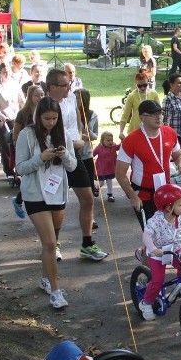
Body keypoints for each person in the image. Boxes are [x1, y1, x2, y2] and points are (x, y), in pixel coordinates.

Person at [15, 97, 76, 309]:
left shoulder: (63, 135)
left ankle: (45, 277)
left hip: (57, 193)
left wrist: (64, 153)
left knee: (50, 242)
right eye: (46, 118)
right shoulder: (27, 134)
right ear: (38, 117)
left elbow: (73, 166)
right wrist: (40, 158)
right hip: (35, 195)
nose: (50, 122)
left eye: (54, 118)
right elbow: (20, 168)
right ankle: (56, 290)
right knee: (51, 243)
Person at [46, 68, 108, 262]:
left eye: (69, 84)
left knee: (88, 198)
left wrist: (79, 136)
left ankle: (87, 243)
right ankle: (53, 244)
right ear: (52, 87)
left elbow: (78, 120)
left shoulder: (72, 98)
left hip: (75, 155)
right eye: (65, 85)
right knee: (58, 205)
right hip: (55, 158)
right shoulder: (45, 105)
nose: (69, 88)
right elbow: (45, 135)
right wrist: (70, 143)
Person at [137, 184, 181, 321]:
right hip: (158, 254)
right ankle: (145, 303)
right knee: (158, 280)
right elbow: (146, 236)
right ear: (168, 208)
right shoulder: (156, 221)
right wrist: (153, 249)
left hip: (175, 250)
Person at [116, 99, 181, 229]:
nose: (159, 116)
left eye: (160, 113)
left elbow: (178, 155)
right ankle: (146, 250)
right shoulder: (131, 140)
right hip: (144, 194)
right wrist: (133, 196)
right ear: (142, 117)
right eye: (153, 114)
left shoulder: (169, 132)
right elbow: (120, 173)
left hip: (166, 193)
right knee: (151, 235)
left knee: (168, 232)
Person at [11, 85, 45, 219]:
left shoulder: (45, 111)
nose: (40, 97)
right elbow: (16, 134)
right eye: (37, 95)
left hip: (41, 148)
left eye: (42, 94)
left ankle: (42, 206)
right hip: (28, 149)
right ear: (30, 96)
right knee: (29, 178)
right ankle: (19, 201)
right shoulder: (23, 113)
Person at [0, 63, 24, 182]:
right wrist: (1, 116)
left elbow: (22, 101)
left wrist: (24, 113)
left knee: (17, 141)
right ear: (0, 72)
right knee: (5, 142)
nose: (7, 73)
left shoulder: (15, 85)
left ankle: (18, 169)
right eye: (4, 71)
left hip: (13, 116)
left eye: (8, 71)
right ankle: (8, 170)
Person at [119, 71, 161, 140]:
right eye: (139, 86)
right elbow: (125, 115)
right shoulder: (132, 96)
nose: (142, 88)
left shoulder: (153, 93)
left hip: (151, 130)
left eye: (145, 85)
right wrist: (121, 132)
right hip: (135, 130)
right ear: (136, 84)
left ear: (148, 82)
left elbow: (159, 112)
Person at [162, 73, 181, 161]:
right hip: (175, 135)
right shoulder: (167, 99)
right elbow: (165, 119)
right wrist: (167, 136)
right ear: (172, 85)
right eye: (179, 83)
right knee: (177, 159)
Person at [75, 88, 99, 197]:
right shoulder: (71, 114)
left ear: (84, 99)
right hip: (74, 153)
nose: (75, 100)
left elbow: (95, 136)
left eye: (77, 98)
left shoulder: (92, 115)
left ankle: (90, 196)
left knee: (89, 178)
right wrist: (79, 135)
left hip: (87, 153)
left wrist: (88, 133)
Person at [93, 131, 120, 203]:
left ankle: (110, 195)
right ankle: (96, 188)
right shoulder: (99, 147)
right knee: (101, 182)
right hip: (101, 168)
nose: (110, 142)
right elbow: (93, 153)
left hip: (110, 168)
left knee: (109, 181)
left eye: (111, 140)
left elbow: (119, 147)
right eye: (108, 140)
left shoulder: (114, 146)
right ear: (102, 141)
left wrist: (123, 141)